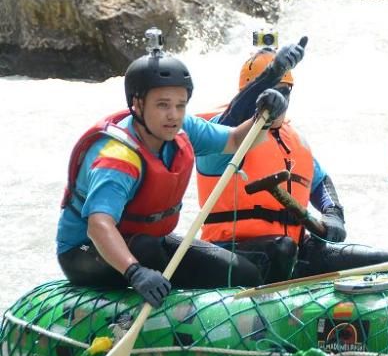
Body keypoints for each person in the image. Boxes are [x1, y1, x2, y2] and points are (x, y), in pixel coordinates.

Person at [57, 29, 291, 307]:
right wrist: (136, 272)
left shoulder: (182, 128)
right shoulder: (117, 158)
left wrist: (264, 116)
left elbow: (235, 140)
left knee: (243, 273)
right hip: (85, 252)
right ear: (137, 104)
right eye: (163, 105)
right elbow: (99, 226)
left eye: (180, 105)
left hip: (148, 242)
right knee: (147, 250)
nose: (173, 115)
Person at [195, 35, 388, 283]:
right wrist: (271, 76)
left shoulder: (294, 140)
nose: (279, 101)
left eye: (284, 92)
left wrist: (333, 213)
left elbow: (319, 181)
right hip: (230, 252)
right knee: (282, 249)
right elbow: (235, 115)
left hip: (294, 251)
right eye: (271, 93)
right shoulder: (223, 133)